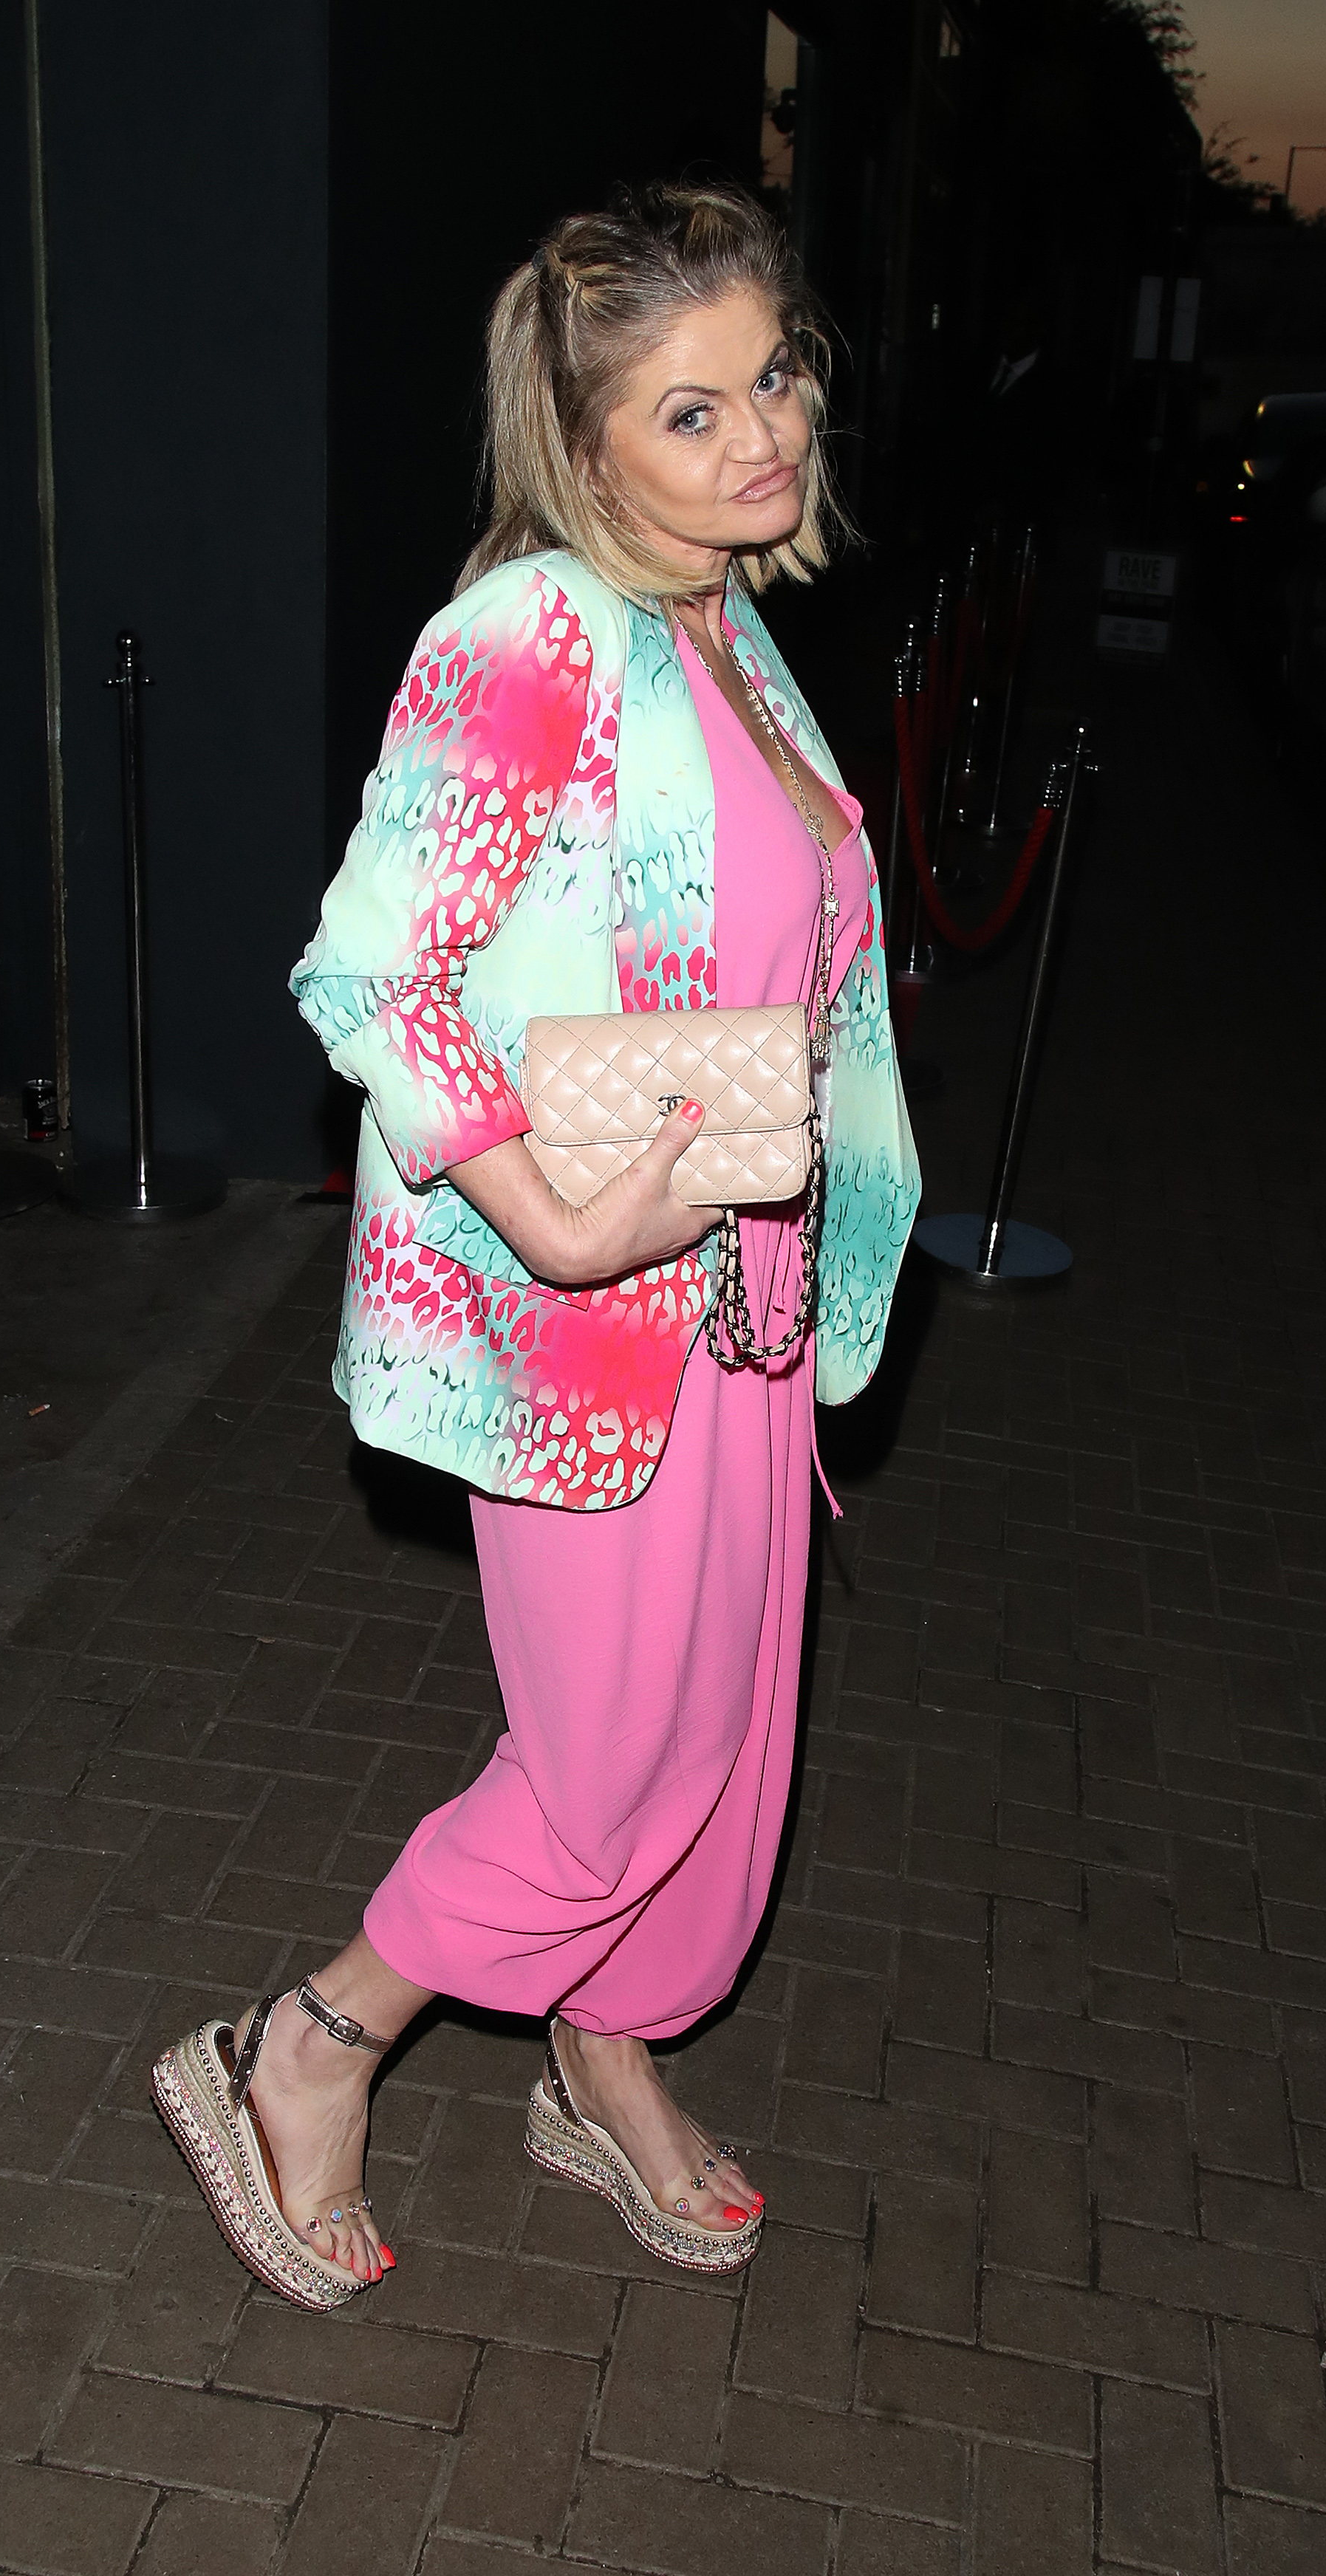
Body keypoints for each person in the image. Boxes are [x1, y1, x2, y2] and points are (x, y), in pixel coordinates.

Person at [154, 181, 918, 2311]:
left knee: (734, 1738)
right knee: (611, 1768)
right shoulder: (538, 635)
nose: (759, 435)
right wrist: (554, 1215)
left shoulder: (723, 618)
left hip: (735, 1307)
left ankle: (604, 2058)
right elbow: (373, 973)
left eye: (774, 374)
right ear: (587, 454)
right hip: (599, 1330)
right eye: (690, 414)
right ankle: (296, 2049)